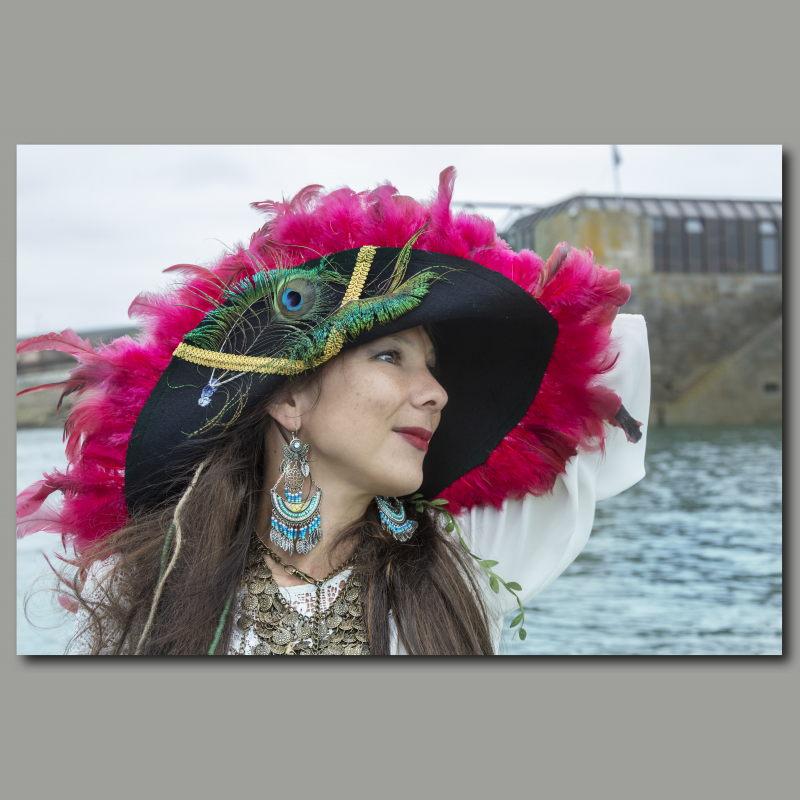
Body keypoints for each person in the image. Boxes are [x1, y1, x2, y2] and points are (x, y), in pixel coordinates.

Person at [16, 167, 650, 655]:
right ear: (288, 397)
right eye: (391, 357)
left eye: (433, 367)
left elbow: (605, 353)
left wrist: (461, 261)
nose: (437, 393)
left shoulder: (470, 556)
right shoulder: (143, 585)